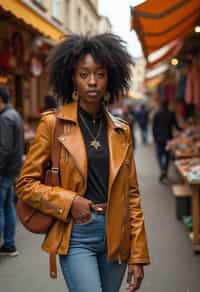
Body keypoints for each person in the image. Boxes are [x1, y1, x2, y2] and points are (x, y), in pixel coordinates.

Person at [16, 34, 150, 292]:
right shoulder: (52, 125)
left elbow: (131, 196)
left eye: (100, 74)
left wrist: (138, 253)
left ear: (110, 78)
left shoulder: (121, 130)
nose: (92, 81)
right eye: (84, 74)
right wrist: (70, 201)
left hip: (116, 235)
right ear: (72, 79)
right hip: (76, 235)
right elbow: (25, 185)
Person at [0, 87, 24, 256]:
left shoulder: (5, 118)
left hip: (4, 169)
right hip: (12, 169)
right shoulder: (14, 114)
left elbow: (4, 148)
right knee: (8, 206)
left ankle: (8, 243)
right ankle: (9, 244)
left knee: (2, 207)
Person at [152, 100, 181, 182]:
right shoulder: (171, 113)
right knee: (167, 155)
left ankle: (162, 169)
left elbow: (154, 127)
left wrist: (154, 137)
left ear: (161, 105)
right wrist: (181, 129)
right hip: (168, 138)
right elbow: (176, 125)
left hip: (159, 138)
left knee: (159, 155)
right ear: (168, 105)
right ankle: (165, 169)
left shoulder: (157, 113)